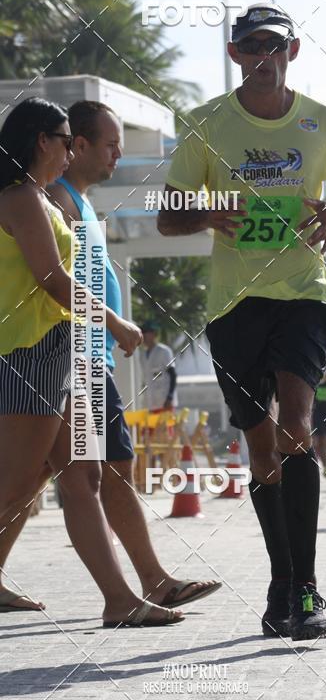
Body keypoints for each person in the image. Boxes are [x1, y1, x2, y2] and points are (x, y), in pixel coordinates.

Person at [158, 2, 326, 640]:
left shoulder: (322, 120)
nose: (264, 58)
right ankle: (281, 578)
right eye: (251, 47)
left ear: (293, 52)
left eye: (274, 47)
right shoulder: (205, 125)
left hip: (306, 292)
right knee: (260, 445)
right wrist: (206, 216)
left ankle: (306, 589)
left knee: (298, 425)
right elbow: (169, 217)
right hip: (233, 304)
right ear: (234, 55)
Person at [0, 97, 183, 626]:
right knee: (15, 487)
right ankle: (124, 598)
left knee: (82, 479)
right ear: (44, 141)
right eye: (65, 141)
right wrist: (117, 323)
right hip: (34, 355)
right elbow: (53, 280)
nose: (70, 152)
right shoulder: (21, 199)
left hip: (62, 356)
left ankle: (120, 600)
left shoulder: (38, 198)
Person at [42, 99, 217, 609]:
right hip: (75, 357)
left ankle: (151, 581)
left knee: (71, 473)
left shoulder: (82, 200)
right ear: (77, 146)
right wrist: (112, 324)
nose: (119, 155)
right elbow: (53, 280)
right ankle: (141, 587)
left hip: (89, 358)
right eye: (111, 144)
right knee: (86, 473)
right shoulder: (60, 199)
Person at [140, 321, 178, 411]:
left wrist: (170, 397)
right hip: (150, 403)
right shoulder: (142, 355)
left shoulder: (164, 351)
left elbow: (173, 374)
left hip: (164, 402)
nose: (144, 336)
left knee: (165, 425)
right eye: (142, 333)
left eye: (146, 332)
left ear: (154, 334)